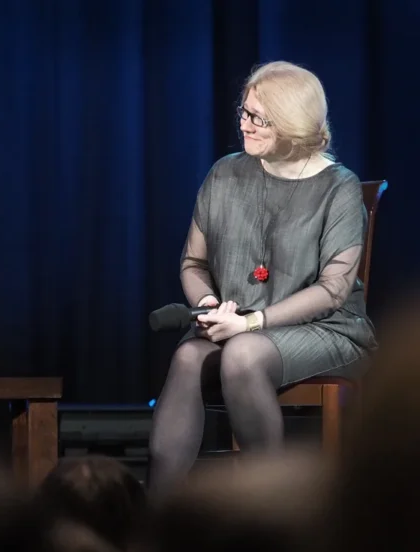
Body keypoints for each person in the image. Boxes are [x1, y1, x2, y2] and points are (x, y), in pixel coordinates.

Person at [148, 61, 377, 493]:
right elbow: (193, 264)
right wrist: (210, 307)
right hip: (237, 326)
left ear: (292, 124)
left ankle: (267, 510)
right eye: (244, 111)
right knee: (187, 357)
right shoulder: (224, 173)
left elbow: (333, 291)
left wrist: (251, 323)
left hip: (325, 328)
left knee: (242, 354)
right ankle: (153, 521)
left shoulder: (338, 187)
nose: (244, 124)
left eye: (258, 118)